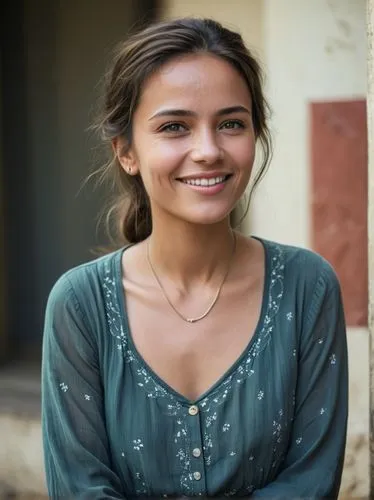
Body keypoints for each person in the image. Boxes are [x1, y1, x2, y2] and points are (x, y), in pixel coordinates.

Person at [41, 17, 348, 499]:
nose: (208, 150)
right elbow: (80, 488)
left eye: (231, 123)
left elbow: (311, 482)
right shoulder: (80, 306)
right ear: (126, 150)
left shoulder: (308, 288)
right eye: (174, 127)